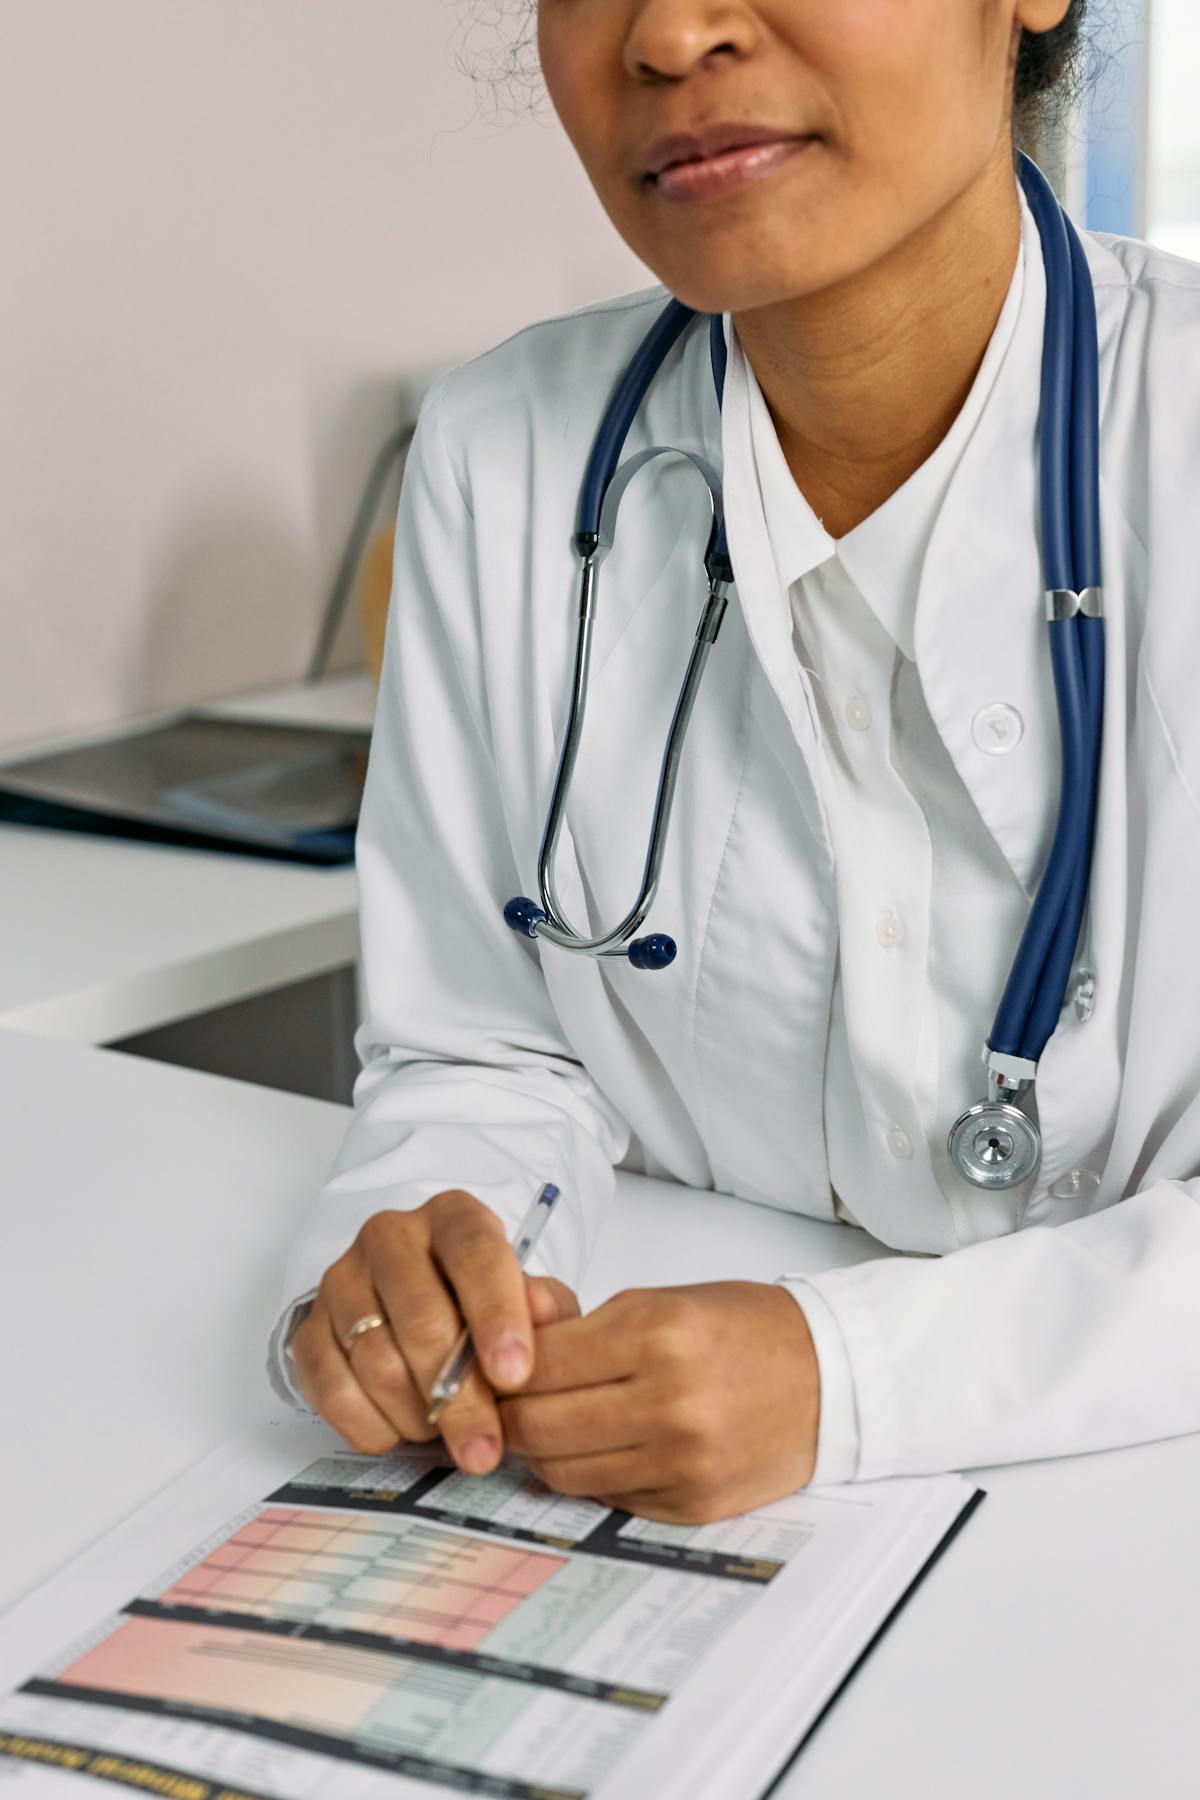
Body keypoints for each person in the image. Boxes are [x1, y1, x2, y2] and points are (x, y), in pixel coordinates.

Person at [269, 0, 1200, 1522]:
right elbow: (480, 1050)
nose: (672, 31)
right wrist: (433, 1250)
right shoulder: (501, 453)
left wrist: (848, 1378)